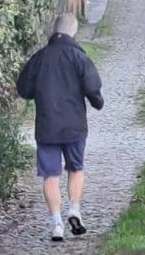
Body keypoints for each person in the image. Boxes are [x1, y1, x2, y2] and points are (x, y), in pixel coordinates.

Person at [16, 13, 104, 241]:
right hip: (74, 125)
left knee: (50, 174)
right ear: (74, 33)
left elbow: (23, 89)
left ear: (53, 31)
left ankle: (56, 223)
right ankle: (74, 208)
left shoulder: (40, 58)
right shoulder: (79, 57)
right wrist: (97, 101)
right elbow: (93, 87)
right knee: (76, 168)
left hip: (46, 126)